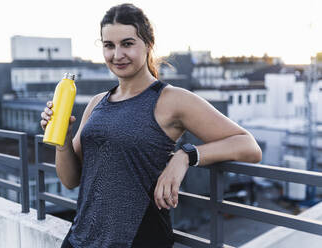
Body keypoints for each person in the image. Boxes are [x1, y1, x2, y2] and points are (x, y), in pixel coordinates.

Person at [40, 3, 262, 248]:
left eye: (127, 43)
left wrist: (185, 155)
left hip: (138, 241)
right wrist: (62, 138)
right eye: (108, 45)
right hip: (79, 240)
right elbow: (71, 180)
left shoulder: (171, 99)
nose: (117, 55)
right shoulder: (96, 103)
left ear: (147, 44)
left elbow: (248, 145)